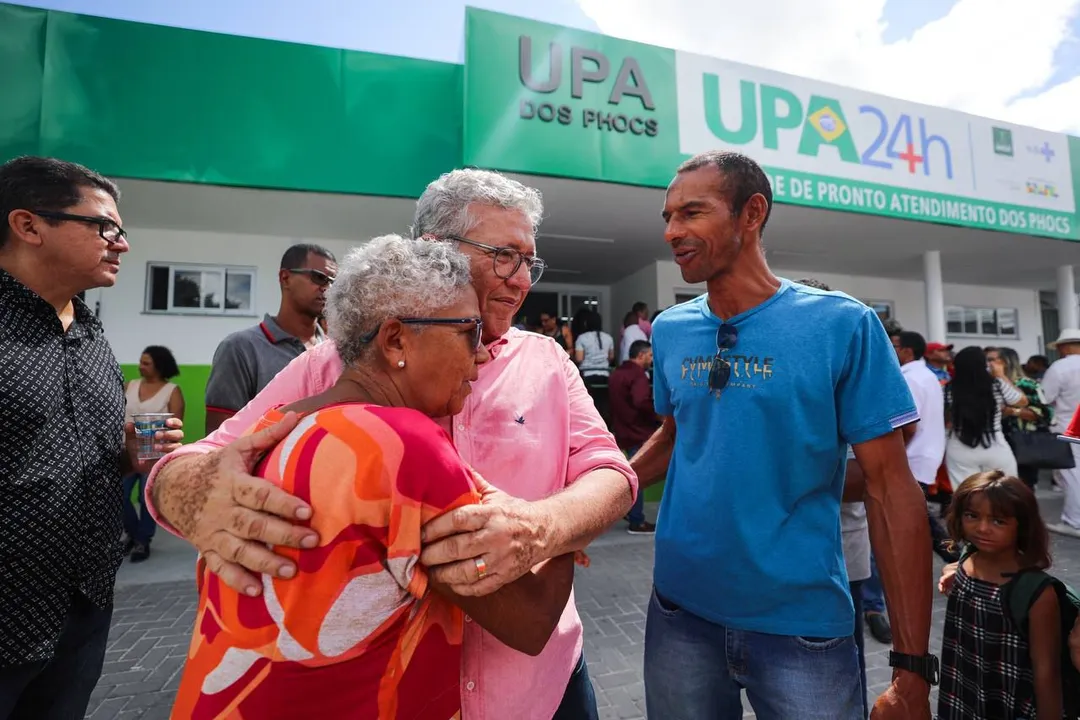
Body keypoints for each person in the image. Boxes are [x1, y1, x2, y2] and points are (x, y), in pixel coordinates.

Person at [143, 168, 636, 720]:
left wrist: (546, 527)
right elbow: (196, 460)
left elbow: (611, 474)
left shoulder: (546, 361)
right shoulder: (338, 363)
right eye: (504, 255)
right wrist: (195, 496)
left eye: (529, 261)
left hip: (540, 688)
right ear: (434, 250)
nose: (522, 280)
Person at [632, 151, 934, 720]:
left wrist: (912, 667)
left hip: (802, 629)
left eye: (692, 213)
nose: (673, 231)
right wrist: (591, 499)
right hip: (679, 615)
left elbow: (892, 491)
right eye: (668, 216)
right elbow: (674, 435)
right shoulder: (671, 330)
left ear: (752, 213)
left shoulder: (841, 324)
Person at [0, 156, 183, 719]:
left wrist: (128, 457)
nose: (121, 244)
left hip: (84, 611)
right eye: (105, 227)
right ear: (29, 226)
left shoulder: (90, 331)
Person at [937, 471, 1061, 719]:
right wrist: (951, 570)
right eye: (972, 516)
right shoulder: (966, 561)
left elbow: (1046, 672)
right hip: (961, 697)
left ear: (1022, 525)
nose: (982, 528)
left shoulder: (1034, 593)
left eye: (998, 521)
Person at [203, 243, 337, 434]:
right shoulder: (240, 348)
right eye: (319, 278)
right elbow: (219, 439)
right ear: (285, 278)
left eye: (334, 282)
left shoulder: (335, 351)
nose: (328, 288)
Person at [890, 331, 954, 562]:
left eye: (895, 346)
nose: (891, 351)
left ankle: (955, 559)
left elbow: (908, 425)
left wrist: (893, 454)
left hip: (913, 457)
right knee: (920, 518)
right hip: (924, 454)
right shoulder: (925, 375)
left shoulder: (910, 378)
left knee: (919, 520)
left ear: (907, 350)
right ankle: (955, 558)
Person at [122, 345, 185, 563]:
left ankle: (142, 541)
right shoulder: (129, 386)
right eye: (140, 361)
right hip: (125, 453)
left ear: (159, 366)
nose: (140, 366)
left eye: (146, 363)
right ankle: (131, 533)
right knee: (118, 495)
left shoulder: (172, 391)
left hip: (154, 454)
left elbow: (175, 427)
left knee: (145, 498)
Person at [944, 346, 1028, 485]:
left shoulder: (947, 389)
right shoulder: (997, 384)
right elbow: (1021, 401)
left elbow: (946, 419)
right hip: (994, 445)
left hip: (960, 446)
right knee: (1005, 492)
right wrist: (1001, 375)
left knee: (966, 494)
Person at [609, 339, 658, 534]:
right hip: (638, 431)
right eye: (650, 355)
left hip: (622, 430)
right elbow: (641, 401)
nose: (651, 359)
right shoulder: (638, 375)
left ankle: (631, 512)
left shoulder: (617, 374)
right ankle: (637, 520)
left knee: (628, 474)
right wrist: (658, 415)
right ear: (641, 355)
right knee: (639, 475)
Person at [988, 346, 1052, 489]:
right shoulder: (986, 383)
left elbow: (1045, 414)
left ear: (1005, 362)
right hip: (991, 443)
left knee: (1022, 489)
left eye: (991, 359)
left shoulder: (1027, 384)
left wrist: (1013, 411)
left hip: (1023, 443)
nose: (987, 363)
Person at [1041, 329, 1080, 531]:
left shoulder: (1060, 367)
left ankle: (1074, 520)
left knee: (1072, 474)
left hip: (1069, 426)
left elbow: (1044, 398)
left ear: (1064, 346)